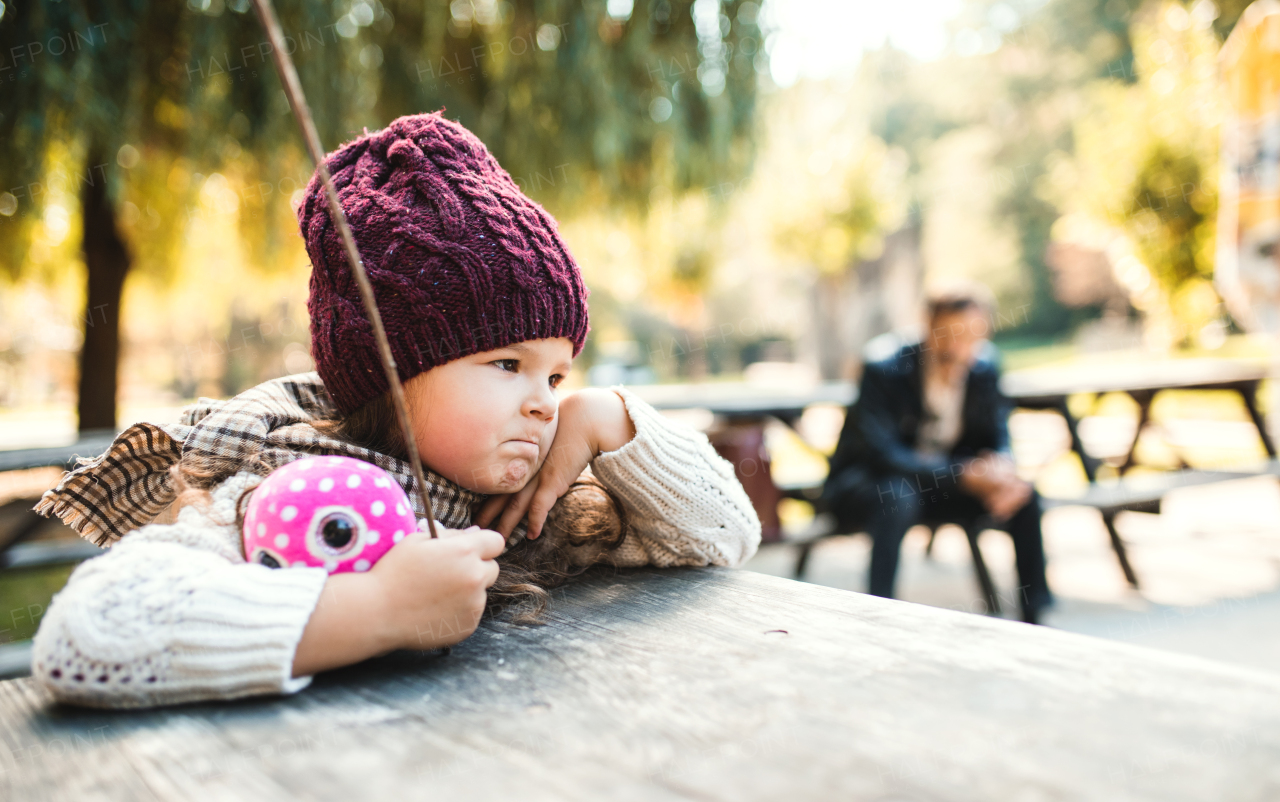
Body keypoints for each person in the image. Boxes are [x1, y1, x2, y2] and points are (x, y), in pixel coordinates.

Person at [30, 112, 761, 709]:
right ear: (388, 373)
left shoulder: (538, 502)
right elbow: (87, 636)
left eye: (559, 373)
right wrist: (377, 609)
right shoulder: (285, 496)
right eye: (506, 365)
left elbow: (728, 532)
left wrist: (612, 419)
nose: (544, 403)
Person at [821, 289, 1052, 623]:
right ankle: (879, 613)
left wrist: (1000, 469)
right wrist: (960, 474)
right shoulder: (883, 368)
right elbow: (881, 454)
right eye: (954, 333)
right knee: (898, 497)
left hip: (940, 488)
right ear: (928, 327)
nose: (963, 346)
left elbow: (998, 433)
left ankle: (1035, 615)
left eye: (975, 334)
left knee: (1024, 497)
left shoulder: (985, 367)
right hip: (867, 486)